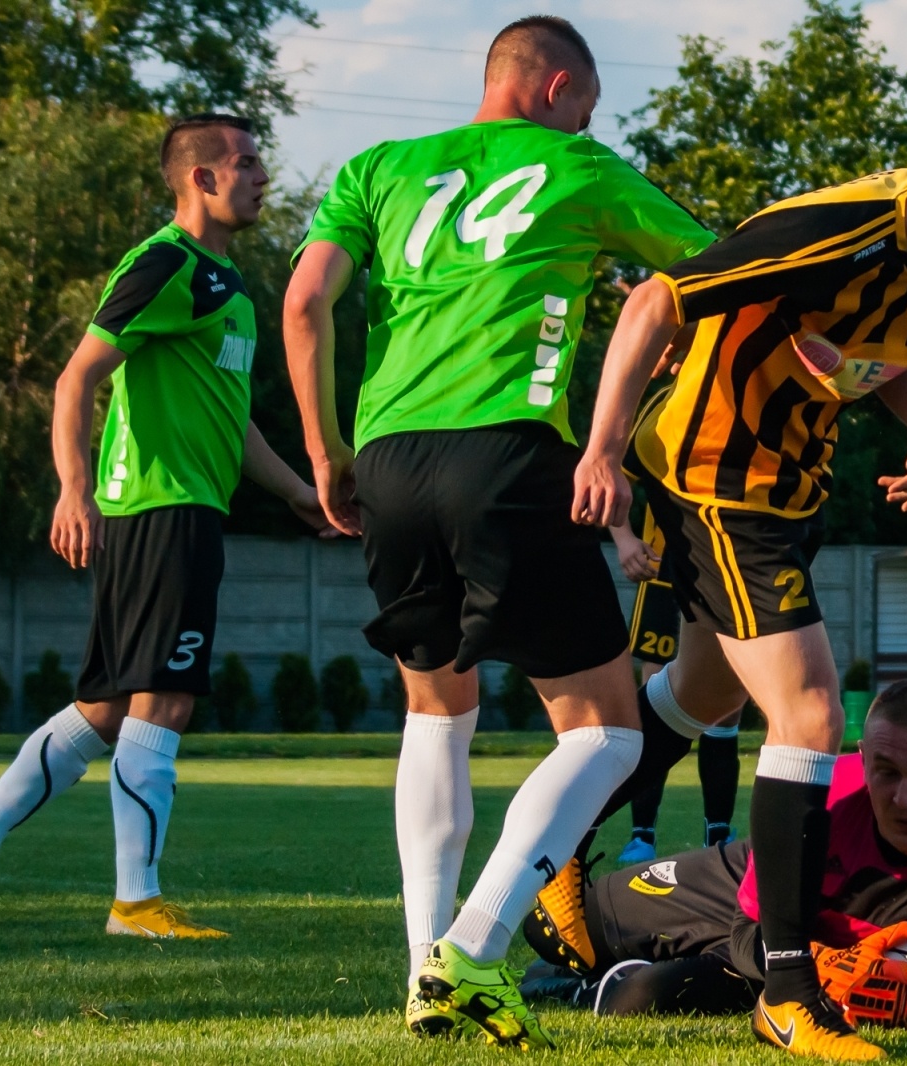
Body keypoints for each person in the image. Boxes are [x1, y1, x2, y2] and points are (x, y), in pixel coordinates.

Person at [563, 121, 907, 1059]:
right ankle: (785, 988)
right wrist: (601, 448)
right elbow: (657, 300)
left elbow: (885, 347)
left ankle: (555, 850)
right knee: (811, 717)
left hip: (783, 488)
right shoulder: (850, 229)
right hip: (714, 478)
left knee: (700, 694)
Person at [281, 15, 715, 1050]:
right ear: (559, 87)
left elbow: (304, 303)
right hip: (507, 452)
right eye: (589, 107)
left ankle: (419, 967)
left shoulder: (379, 168)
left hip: (385, 459)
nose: (588, 122)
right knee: (606, 730)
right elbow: (716, 275)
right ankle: (471, 949)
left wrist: (326, 454)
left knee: (436, 714)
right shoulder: (579, 165)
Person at [0, 114, 333, 938]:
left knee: (107, 708)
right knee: (164, 700)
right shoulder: (164, 262)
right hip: (158, 506)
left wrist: (299, 494)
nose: (261, 178)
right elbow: (77, 379)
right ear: (200, 179)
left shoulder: (233, 293)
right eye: (246, 163)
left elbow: (234, 423)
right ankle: (135, 902)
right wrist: (74, 491)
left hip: (185, 510)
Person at [522, 678, 907, 1032]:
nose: (903, 797)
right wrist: (823, 971)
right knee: (553, 926)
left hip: (809, 952)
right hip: (758, 897)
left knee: (642, 999)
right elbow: (749, 927)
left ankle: (571, 992)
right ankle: (568, 966)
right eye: (885, 772)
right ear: (862, 760)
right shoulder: (823, 796)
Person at [610, 509, 741, 864]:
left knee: (725, 711)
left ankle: (717, 836)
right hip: (664, 572)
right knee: (657, 694)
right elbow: (609, 473)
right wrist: (624, 540)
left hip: (730, 568)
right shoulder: (649, 449)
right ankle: (641, 836)